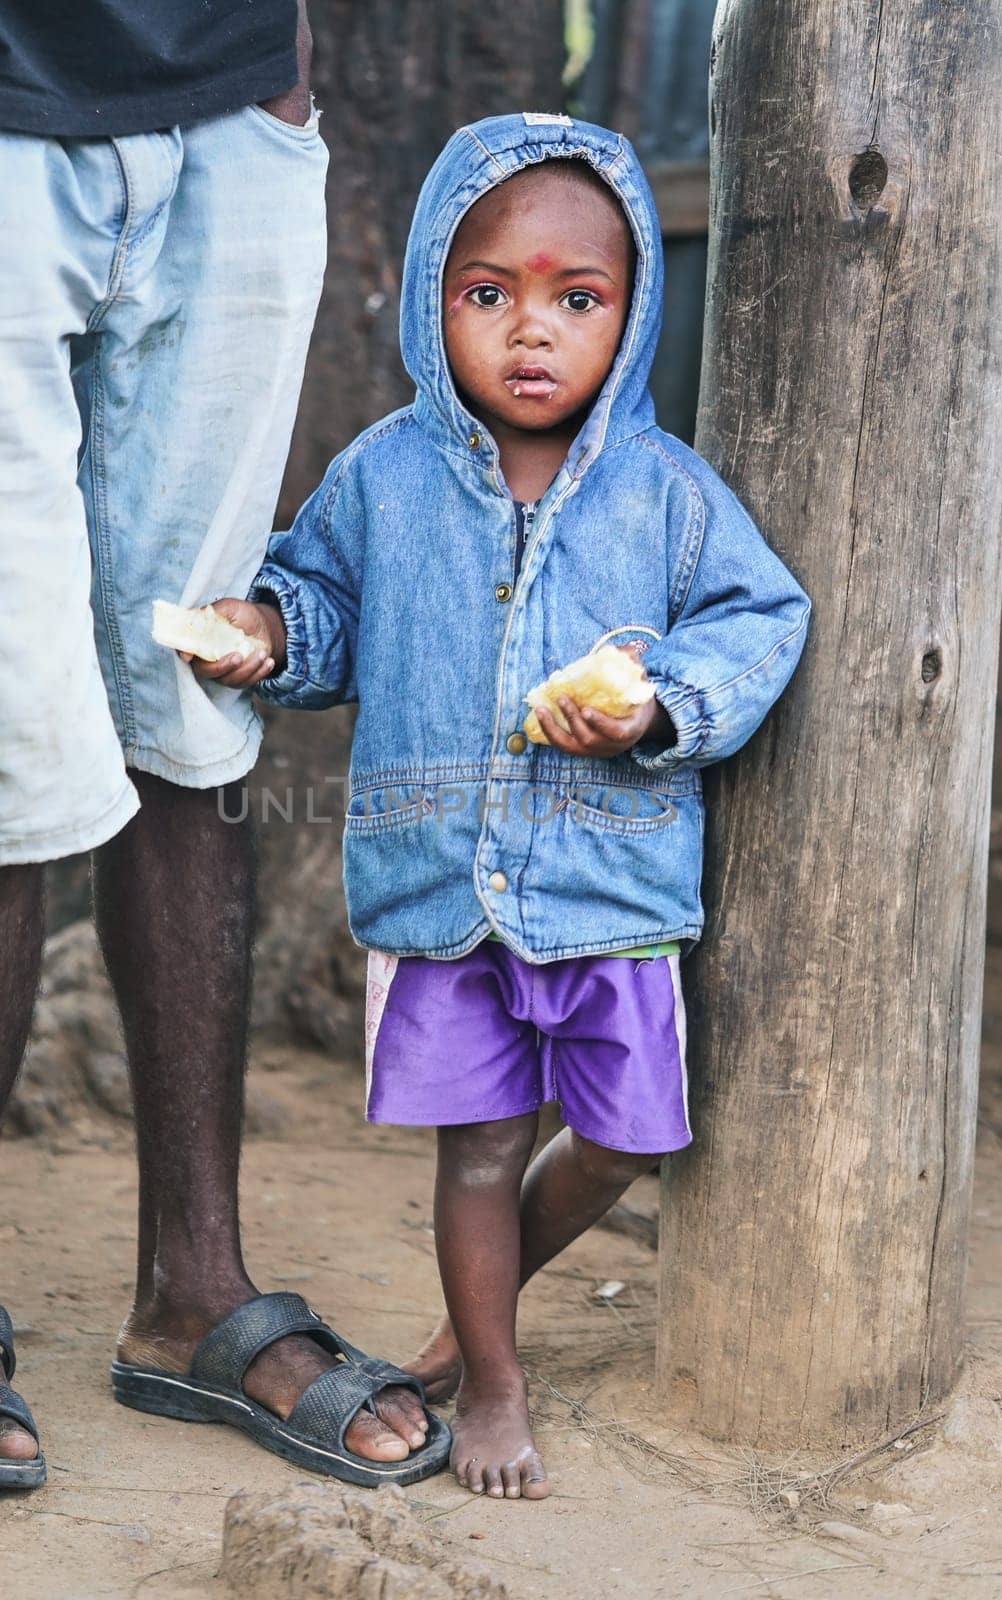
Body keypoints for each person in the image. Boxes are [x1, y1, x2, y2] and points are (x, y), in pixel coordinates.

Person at [181, 113, 812, 1500]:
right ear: (431, 297)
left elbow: (762, 621)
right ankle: (496, 1377)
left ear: (633, 315)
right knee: (478, 1154)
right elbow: (325, 602)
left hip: (610, 884)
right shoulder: (385, 474)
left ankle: (463, 1330)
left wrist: (660, 708)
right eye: (489, 295)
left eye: (576, 300)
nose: (532, 334)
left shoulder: (667, 494)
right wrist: (269, 631)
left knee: (632, 1143)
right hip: (443, 889)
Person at [0, 0, 448, 1491]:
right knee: (1, 738)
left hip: (232, 122)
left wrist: (277, 79)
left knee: (194, 696)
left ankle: (193, 1288)